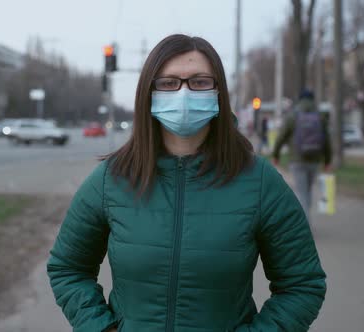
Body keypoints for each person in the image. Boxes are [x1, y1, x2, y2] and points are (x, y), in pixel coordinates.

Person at [47, 35, 326, 332]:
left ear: (218, 92)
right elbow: (68, 268)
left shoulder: (259, 181)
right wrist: (101, 328)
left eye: (199, 82)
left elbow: (302, 284)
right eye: (168, 83)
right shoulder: (112, 178)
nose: (183, 93)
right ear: (149, 93)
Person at [272, 89, 332, 222]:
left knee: (301, 192)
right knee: (308, 191)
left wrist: (276, 155)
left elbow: (281, 137)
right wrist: (327, 161)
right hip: (315, 160)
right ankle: (306, 219)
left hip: (297, 160)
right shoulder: (320, 116)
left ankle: (305, 223)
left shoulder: (293, 115)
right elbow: (327, 140)